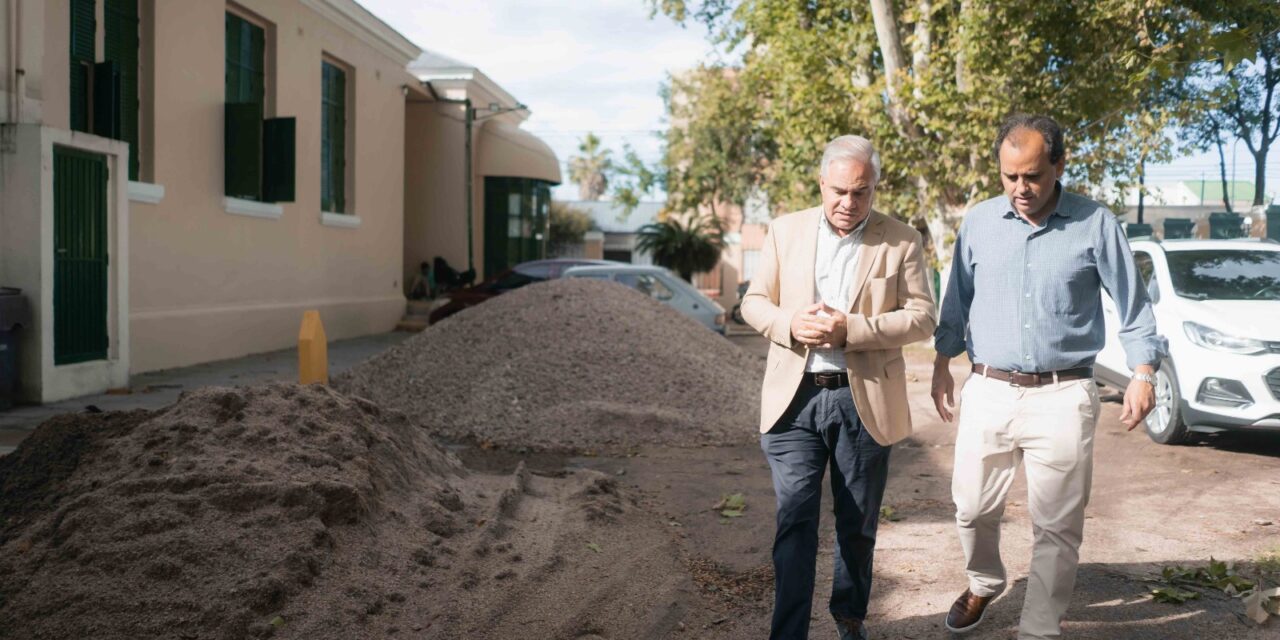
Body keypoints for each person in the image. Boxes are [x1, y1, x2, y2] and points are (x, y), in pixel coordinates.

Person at [931, 114, 1167, 639]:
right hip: (989, 388)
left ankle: (1038, 628)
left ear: (1059, 165)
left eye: (1033, 176)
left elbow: (1133, 304)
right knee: (971, 507)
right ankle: (984, 582)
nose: (1020, 188)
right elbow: (956, 302)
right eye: (1010, 176)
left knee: (1057, 527)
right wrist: (941, 363)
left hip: (1064, 395)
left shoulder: (1095, 223)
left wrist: (1144, 371)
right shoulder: (978, 223)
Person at [741, 135, 937, 640]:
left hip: (863, 400)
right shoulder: (785, 231)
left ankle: (850, 619)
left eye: (861, 193)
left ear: (875, 188)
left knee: (856, 525)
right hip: (794, 402)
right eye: (839, 191)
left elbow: (922, 318)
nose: (848, 203)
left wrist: (852, 329)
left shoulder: (902, 239)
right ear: (821, 183)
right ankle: (788, 633)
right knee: (795, 520)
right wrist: (788, 324)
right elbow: (754, 301)